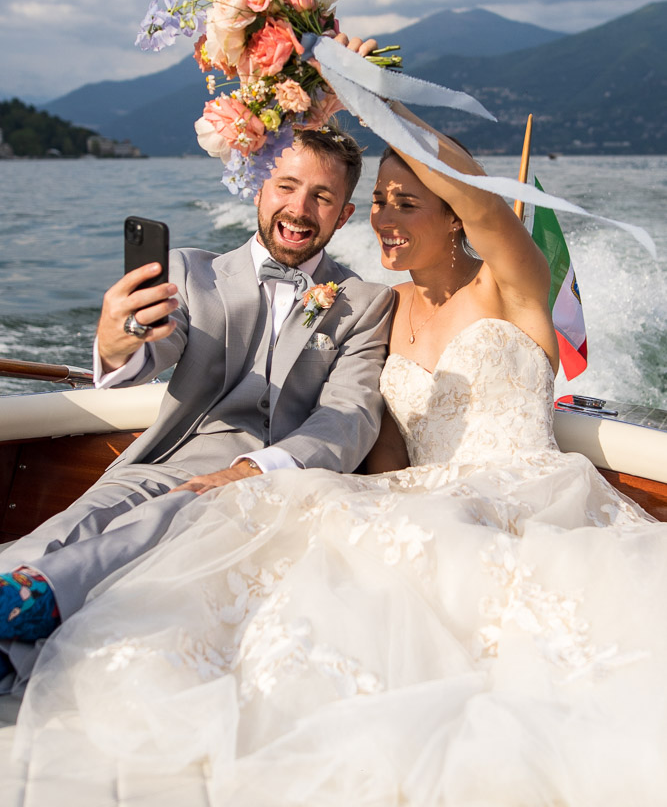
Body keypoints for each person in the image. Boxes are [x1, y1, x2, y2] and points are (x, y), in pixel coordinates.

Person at [10, 69, 667, 804]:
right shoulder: (383, 307)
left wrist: (366, 97)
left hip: (526, 498)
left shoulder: (508, 284)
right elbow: (380, 448)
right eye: (379, 203)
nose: (384, 218)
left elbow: (478, 212)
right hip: (414, 498)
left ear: (453, 216)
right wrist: (122, 337)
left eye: (405, 202)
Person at [0, 122, 393, 691]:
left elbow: (349, 415)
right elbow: (156, 342)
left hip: (271, 485)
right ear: (259, 189)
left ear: (344, 215)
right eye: (286, 186)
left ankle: (31, 605)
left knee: (167, 519)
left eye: (322, 196)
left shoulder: (365, 302)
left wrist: (251, 470)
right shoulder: (191, 270)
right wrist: (119, 341)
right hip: (162, 460)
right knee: (76, 523)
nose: (300, 207)